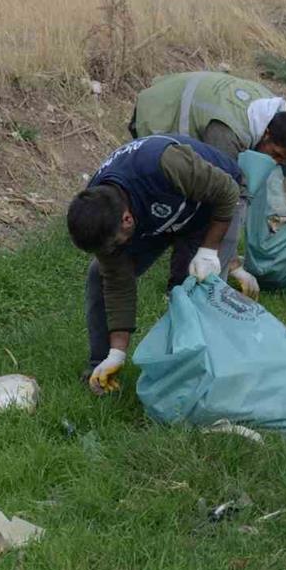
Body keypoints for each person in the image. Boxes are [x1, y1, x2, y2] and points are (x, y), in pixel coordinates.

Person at [66, 133, 242, 395]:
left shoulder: (163, 165)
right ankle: (100, 365)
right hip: (159, 216)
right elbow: (117, 282)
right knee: (99, 275)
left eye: (113, 245)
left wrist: (209, 250)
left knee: (195, 290)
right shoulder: (100, 215)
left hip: (214, 205)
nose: (111, 252)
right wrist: (118, 352)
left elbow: (227, 192)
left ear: (126, 220)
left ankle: (195, 378)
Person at [131, 71, 286, 298]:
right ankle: (178, 289)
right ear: (265, 134)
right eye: (275, 156)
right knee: (195, 211)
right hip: (160, 111)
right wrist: (229, 262)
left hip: (194, 101)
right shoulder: (228, 134)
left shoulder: (276, 115)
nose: (276, 163)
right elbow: (225, 197)